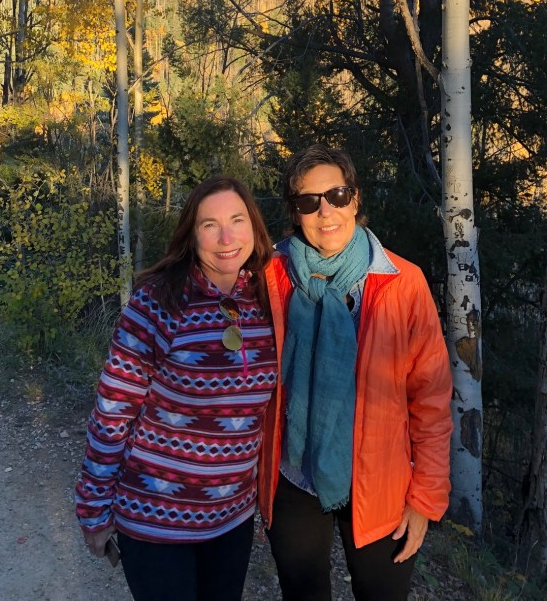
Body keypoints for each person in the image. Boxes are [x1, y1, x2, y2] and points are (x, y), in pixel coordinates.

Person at [257, 144, 453, 601]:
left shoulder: (403, 283)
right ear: (295, 212)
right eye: (309, 201)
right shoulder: (271, 274)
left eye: (337, 195)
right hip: (294, 475)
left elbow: (431, 398)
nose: (325, 211)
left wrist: (425, 499)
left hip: (381, 485)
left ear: (355, 198)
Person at [75, 176, 277, 601]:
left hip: (232, 520)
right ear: (191, 234)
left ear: (255, 227)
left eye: (237, 220)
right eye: (209, 225)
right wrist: (93, 507)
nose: (226, 238)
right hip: (155, 518)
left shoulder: (269, 300)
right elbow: (112, 411)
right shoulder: (159, 302)